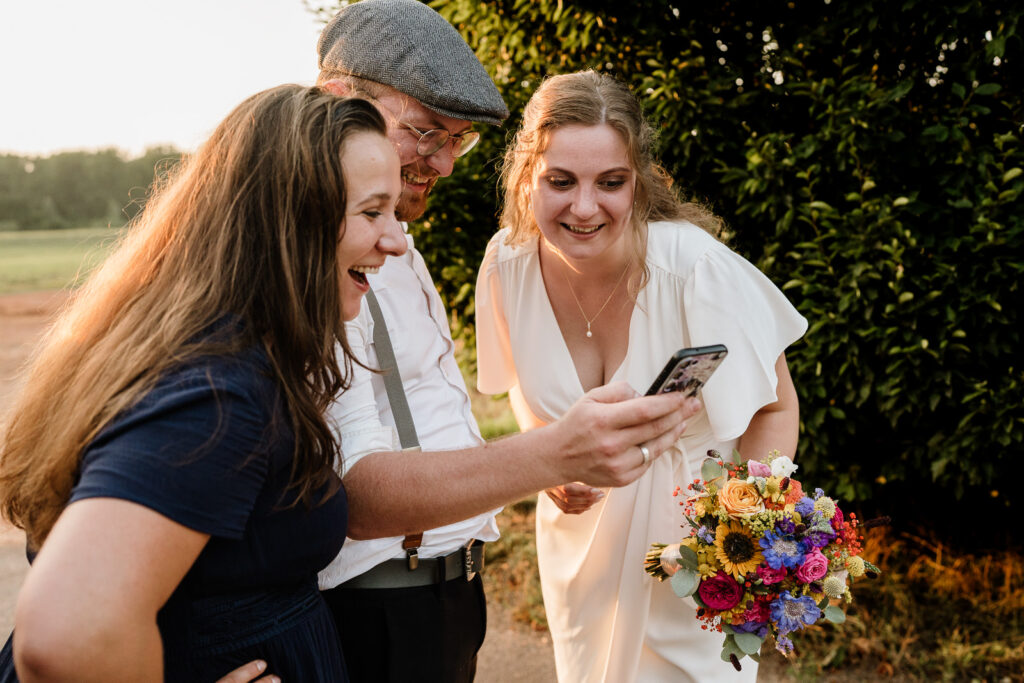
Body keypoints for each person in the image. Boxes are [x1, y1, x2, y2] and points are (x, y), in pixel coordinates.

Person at [311, 2, 701, 681]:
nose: (444, 164)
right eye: (425, 133)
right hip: (377, 605)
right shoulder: (314, 257)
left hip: (450, 592)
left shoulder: (400, 243)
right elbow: (356, 490)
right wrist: (551, 452)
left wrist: (546, 469)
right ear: (336, 102)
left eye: (455, 142)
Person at [0, 85, 407, 682]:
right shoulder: (220, 390)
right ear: (287, 221)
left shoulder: (218, 349)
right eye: (372, 211)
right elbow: (66, 634)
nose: (395, 239)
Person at [475, 70, 809, 682]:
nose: (584, 207)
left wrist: (741, 531)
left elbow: (775, 407)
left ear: (638, 183)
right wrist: (551, 462)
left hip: (692, 555)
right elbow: (526, 392)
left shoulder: (693, 267)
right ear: (526, 178)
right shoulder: (505, 264)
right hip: (579, 555)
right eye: (559, 181)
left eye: (610, 182)